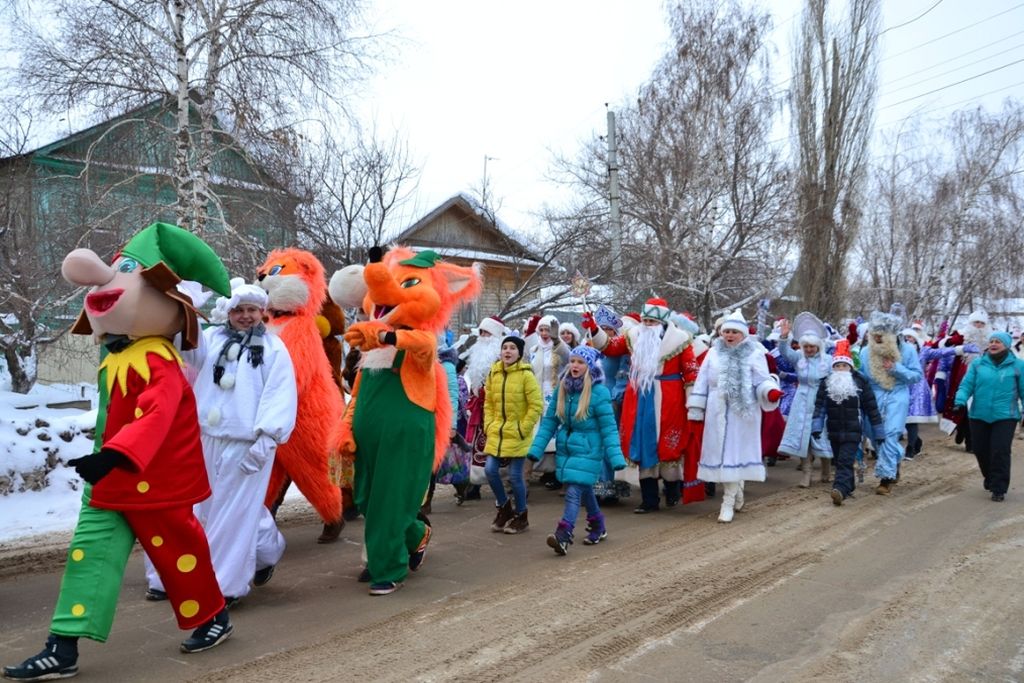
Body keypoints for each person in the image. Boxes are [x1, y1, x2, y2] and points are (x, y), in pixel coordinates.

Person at [4, 225, 235, 682]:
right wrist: (102, 458)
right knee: (88, 556)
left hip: (155, 480)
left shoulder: (159, 361)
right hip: (111, 482)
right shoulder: (114, 359)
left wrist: (115, 455)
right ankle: (62, 647)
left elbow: (157, 414)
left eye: (125, 274)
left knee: (178, 555)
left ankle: (213, 617)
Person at [144, 280, 296, 607]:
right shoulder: (212, 339)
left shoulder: (274, 349)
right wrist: (185, 307)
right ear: (227, 313)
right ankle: (266, 549)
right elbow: (185, 346)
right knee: (200, 508)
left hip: (247, 442)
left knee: (234, 514)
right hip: (205, 437)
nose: (245, 316)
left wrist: (267, 439)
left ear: (262, 312)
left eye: (251, 310)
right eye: (238, 310)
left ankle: (223, 586)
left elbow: (280, 395)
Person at [584, 298, 699, 513]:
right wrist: (593, 328)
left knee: (668, 445)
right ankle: (649, 499)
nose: (647, 325)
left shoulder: (681, 340)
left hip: (669, 398)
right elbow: (609, 347)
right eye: (645, 320)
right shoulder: (633, 336)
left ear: (662, 322)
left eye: (652, 322)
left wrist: (693, 401)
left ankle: (673, 488)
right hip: (638, 398)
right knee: (642, 443)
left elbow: (692, 372)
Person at [528, 346, 627, 554]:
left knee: (573, 492)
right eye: (572, 361)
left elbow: (609, 429)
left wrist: (616, 457)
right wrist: (536, 450)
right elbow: (550, 422)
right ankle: (598, 526)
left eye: (580, 362)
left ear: (589, 366)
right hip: (568, 449)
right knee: (585, 489)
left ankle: (563, 535)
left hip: (589, 450)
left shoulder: (600, 393)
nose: (574, 365)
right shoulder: (563, 388)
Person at [687, 309, 782, 523]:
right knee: (720, 457)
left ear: (743, 334)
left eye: (734, 332)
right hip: (716, 411)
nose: (729, 335)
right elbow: (702, 381)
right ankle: (737, 489)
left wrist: (771, 391)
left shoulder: (754, 353)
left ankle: (727, 503)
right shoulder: (713, 353)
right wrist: (696, 410)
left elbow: (761, 380)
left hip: (743, 414)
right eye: (726, 331)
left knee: (732, 455)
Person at [953, 331, 1024, 502]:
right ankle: (990, 477)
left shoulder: (1018, 365)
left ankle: (999, 488)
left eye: (998, 341)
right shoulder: (978, 364)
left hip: (1006, 415)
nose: (993, 344)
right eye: (991, 341)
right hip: (979, 414)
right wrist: (960, 400)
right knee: (980, 450)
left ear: (1006, 345)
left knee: (1000, 450)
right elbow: (966, 385)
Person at [812, 340, 883, 505]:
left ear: (850, 367)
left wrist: (878, 431)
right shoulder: (827, 383)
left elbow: (872, 408)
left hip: (854, 430)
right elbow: (820, 407)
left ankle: (839, 490)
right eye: (837, 366)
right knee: (839, 461)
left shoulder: (860, 382)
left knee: (844, 460)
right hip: (834, 431)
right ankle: (849, 485)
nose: (840, 369)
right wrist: (816, 426)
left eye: (844, 366)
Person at [483, 335, 543, 533]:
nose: (508, 351)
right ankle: (505, 508)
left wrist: (522, 428)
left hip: (518, 433)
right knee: (490, 471)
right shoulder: (494, 373)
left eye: (512, 348)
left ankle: (521, 515)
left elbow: (536, 405)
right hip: (497, 432)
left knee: (515, 476)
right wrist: (489, 425)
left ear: (519, 353)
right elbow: (489, 403)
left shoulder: (526, 375)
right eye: (505, 347)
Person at [859, 310, 923, 495]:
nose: (877, 339)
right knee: (874, 434)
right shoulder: (865, 352)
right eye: (874, 335)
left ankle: (886, 479)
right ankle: (894, 461)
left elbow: (916, 376)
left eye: (881, 335)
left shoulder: (907, 351)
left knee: (890, 433)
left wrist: (896, 369)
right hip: (873, 396)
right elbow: (862, 376)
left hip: (897, 394)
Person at [777, 315, 833, 487]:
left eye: (812, 346)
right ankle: (806, 473)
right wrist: (784, 337)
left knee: (822, 435)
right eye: (806, 346)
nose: (809, 349)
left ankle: (826, 469)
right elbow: (785, 352)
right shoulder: (799, 358)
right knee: (803, 438)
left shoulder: (828, 361)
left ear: (818, 346)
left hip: (821, 402)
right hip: (801, 401)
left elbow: (835, 381)